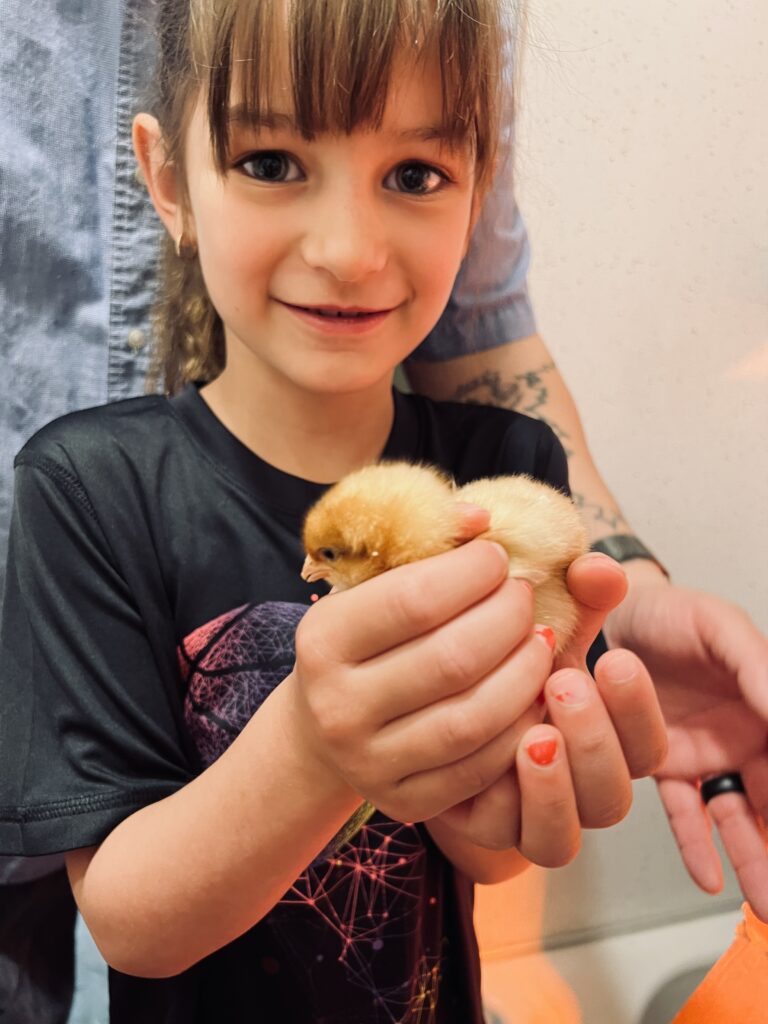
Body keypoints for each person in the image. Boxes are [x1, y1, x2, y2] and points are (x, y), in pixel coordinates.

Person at [0, 0, 672, 1019]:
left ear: (477, 189)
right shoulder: (89, 488)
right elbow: (132, 923)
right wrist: (317, 748)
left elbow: (490, 849)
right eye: (271, 161)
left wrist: (506, 784)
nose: (351, 249)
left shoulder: (506, 463)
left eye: (414, 175)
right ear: (170, 180)